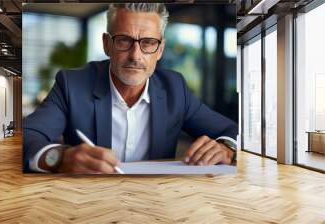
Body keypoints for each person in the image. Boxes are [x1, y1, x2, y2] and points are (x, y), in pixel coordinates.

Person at [23, 3, 238, 174]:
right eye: (124, 40)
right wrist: (59, 158)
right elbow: (27, 137)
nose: (136, 56)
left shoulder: (175, 88)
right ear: (107, 44)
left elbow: (231, 131)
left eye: (148, 43)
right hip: (88, 200)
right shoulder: (72, 85)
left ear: (160, 50)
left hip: (157, 201)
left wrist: (226, 148)